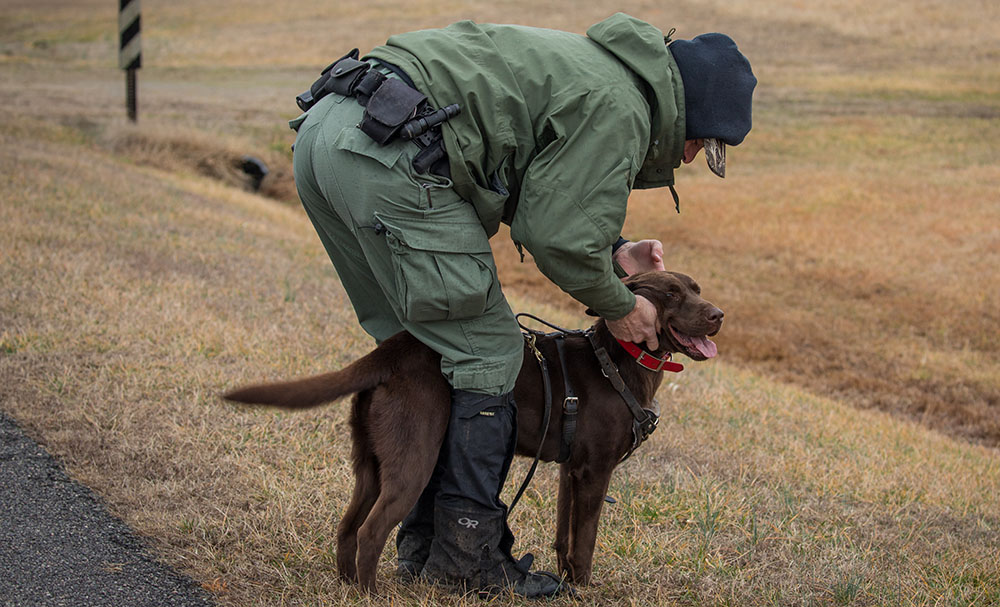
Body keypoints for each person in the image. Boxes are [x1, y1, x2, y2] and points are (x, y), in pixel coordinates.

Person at [289, 12, 755, 598]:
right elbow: (556, 233)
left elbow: (531, 186)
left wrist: (614, 251)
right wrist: (618, 304)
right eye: (702, 145)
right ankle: (465, 560)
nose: (689, 159)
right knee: (488, 351)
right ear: (689, 114)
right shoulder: (623, 109)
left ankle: (424, 543)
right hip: (395, 161)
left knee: (429, 347)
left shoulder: (598, 70)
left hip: (331, 133)